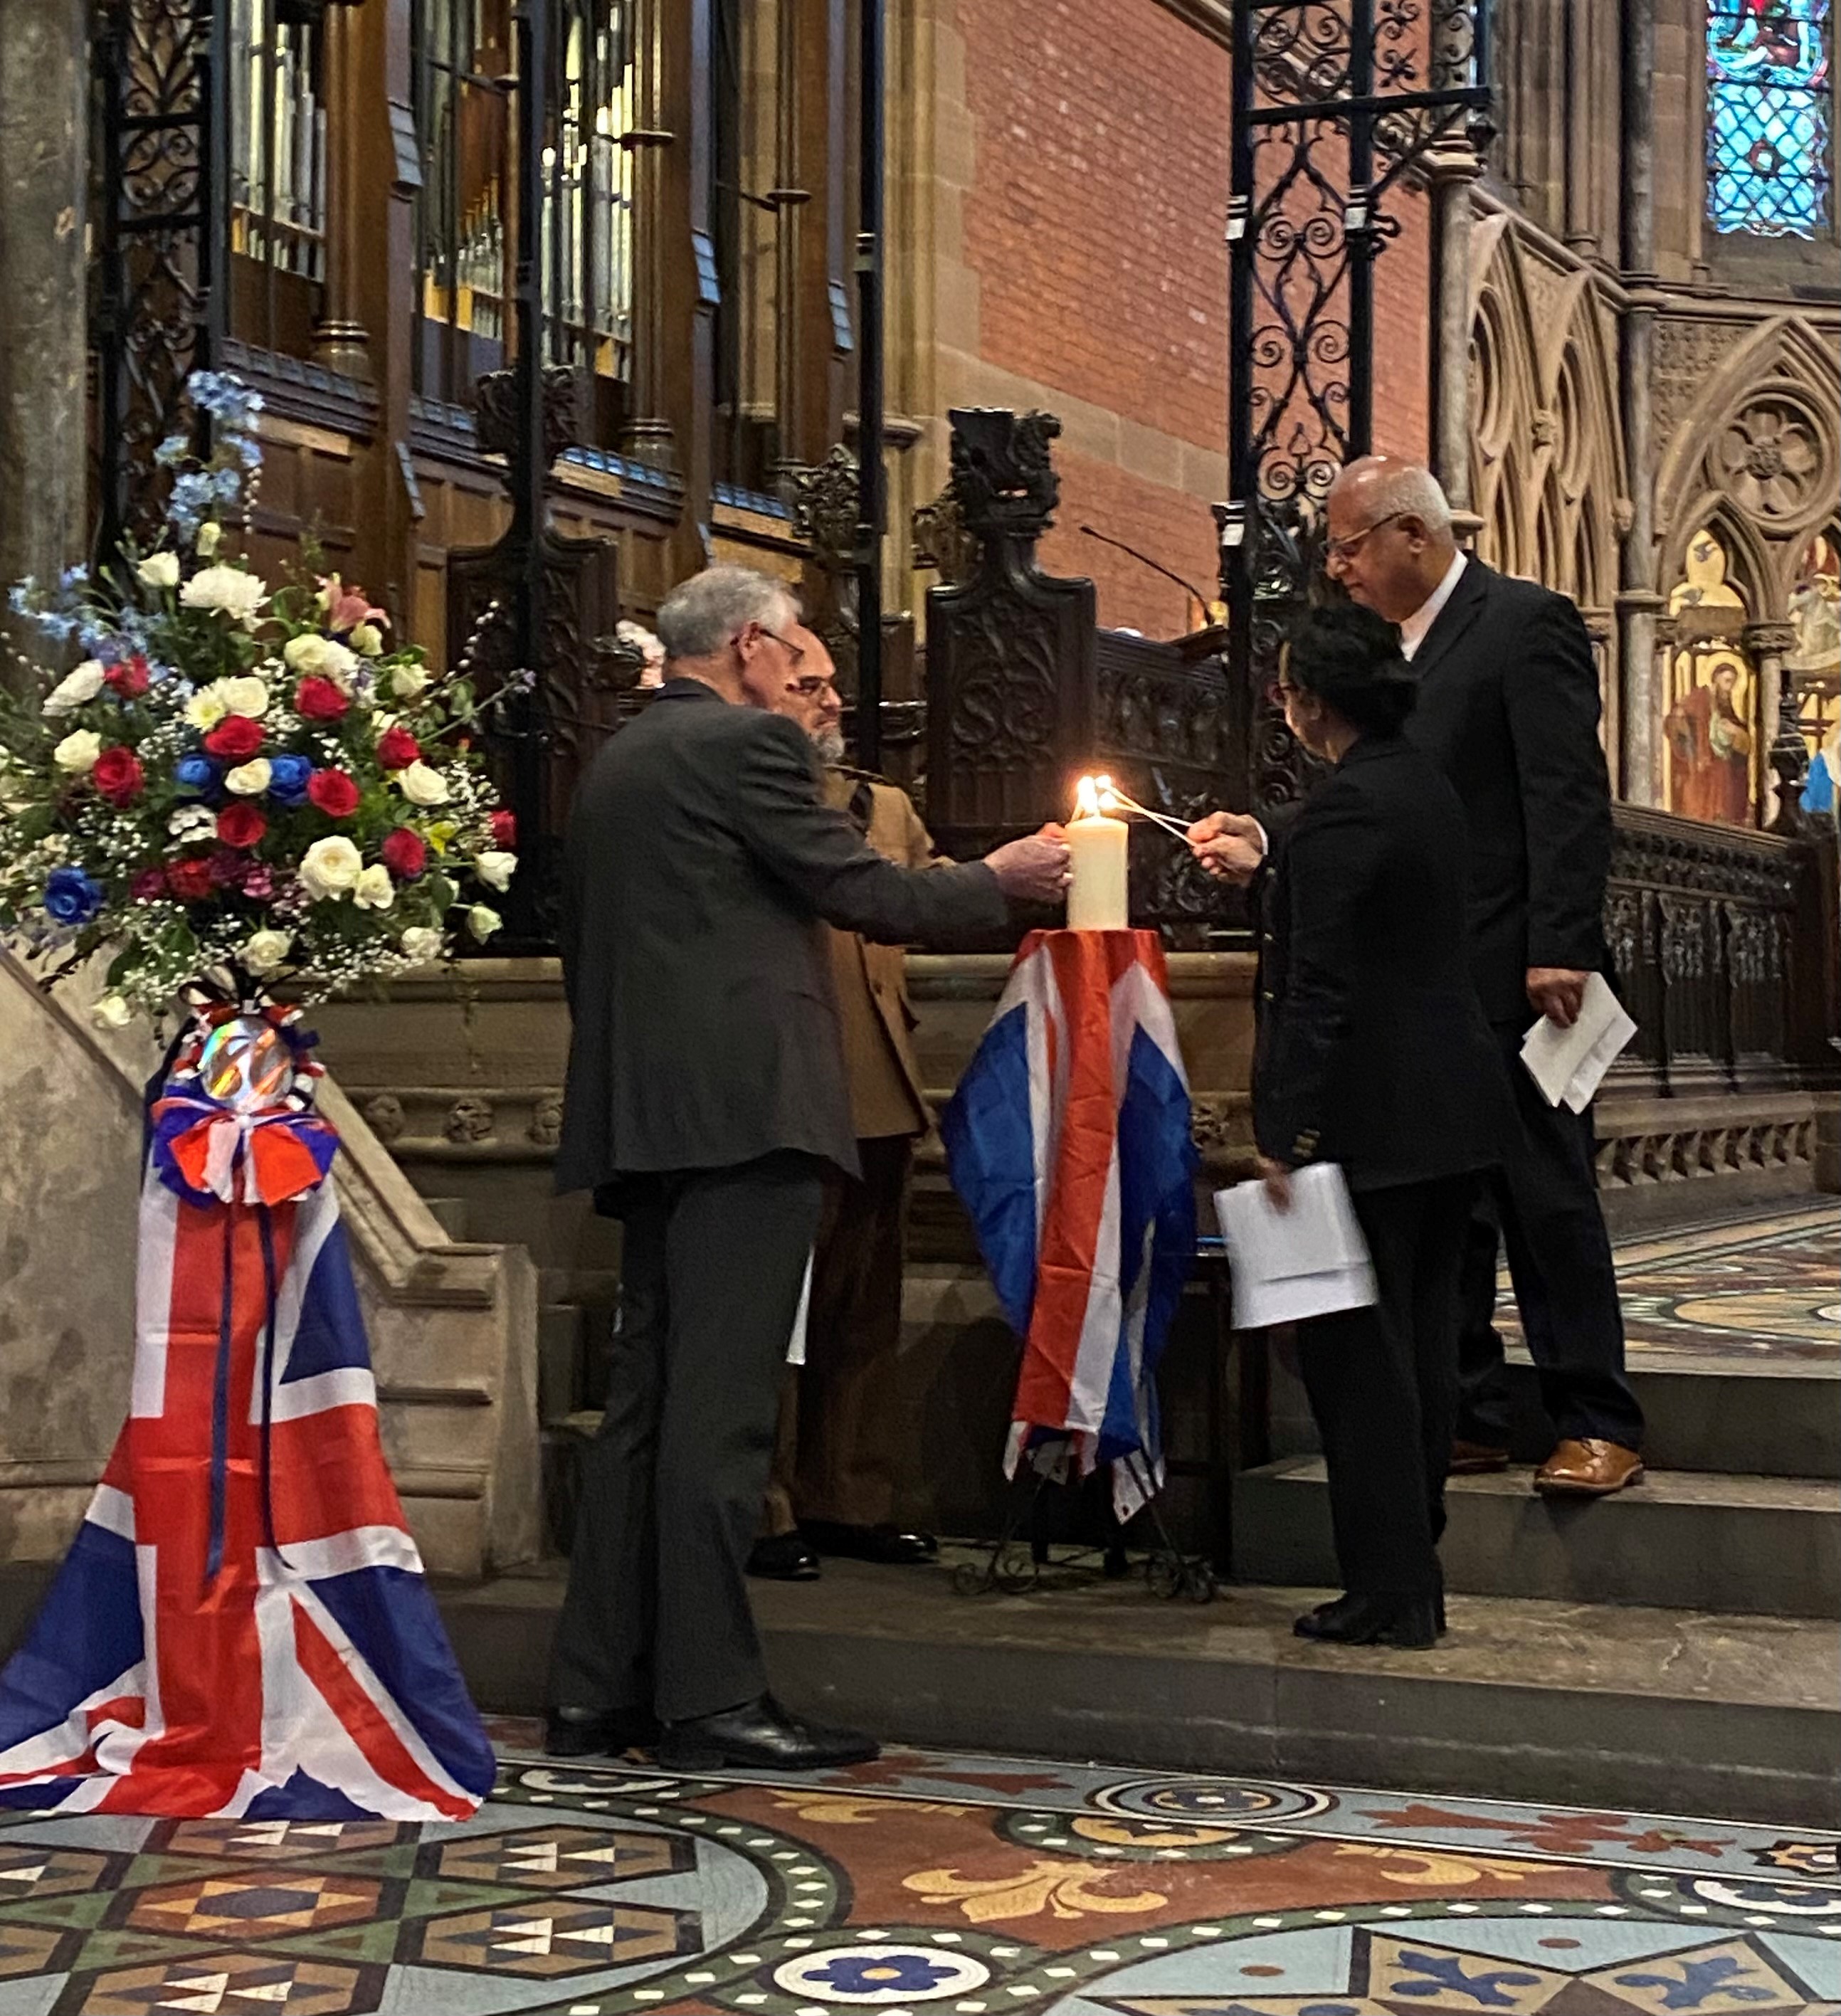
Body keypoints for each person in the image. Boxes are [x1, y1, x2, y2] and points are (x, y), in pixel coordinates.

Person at [547, 565, 1070, 1770]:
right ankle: (711, 1699)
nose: (806, 682)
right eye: (796, 656)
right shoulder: (744, 749)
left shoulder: (619, 759)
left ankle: (599, 1685)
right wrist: (1003, 880)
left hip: (646, 1117)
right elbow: (862, 890)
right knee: (722, 1419)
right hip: (745, 1119)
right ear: (749, 648)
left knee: (645, 1411)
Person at [1192, 458, 1645, 1496]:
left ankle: (1596, 1414)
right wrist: (1272, 838)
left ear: (1413, 535)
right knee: (1453, 1210)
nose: (1336, 567)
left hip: (1523, 974)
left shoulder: (1522, 623)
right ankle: (1472, 1409)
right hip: (1428, 988)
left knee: (1545, 1198)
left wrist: (1561, 941)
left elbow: (1565, 793)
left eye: (1348, 546)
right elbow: (1381, 799)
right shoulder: (1384, 649)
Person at [1196, 601, 1509, 1647]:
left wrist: (1285, 1131)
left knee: (1352, 1361)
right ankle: (1409, 1559)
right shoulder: (1418, 783)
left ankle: (1387, 1587)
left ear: (1313, 702)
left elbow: (1315, 988)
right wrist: (1274, 850)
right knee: (1416, 1346)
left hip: (1365, 1126)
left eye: (1286, 689)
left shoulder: (1344, 815)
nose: (1283, 706)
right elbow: (1349, 868)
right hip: (1450, 1113)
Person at [749, 657, 942, 1580]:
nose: (832, 700)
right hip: (790, 1086)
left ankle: (849, 1496)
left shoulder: (887, 804)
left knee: (863, 1314)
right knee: (777, 1316)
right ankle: (768, 1503)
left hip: (880, 1084)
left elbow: (935, 891)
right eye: (809, 684)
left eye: (834, 685)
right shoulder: (748, 794)